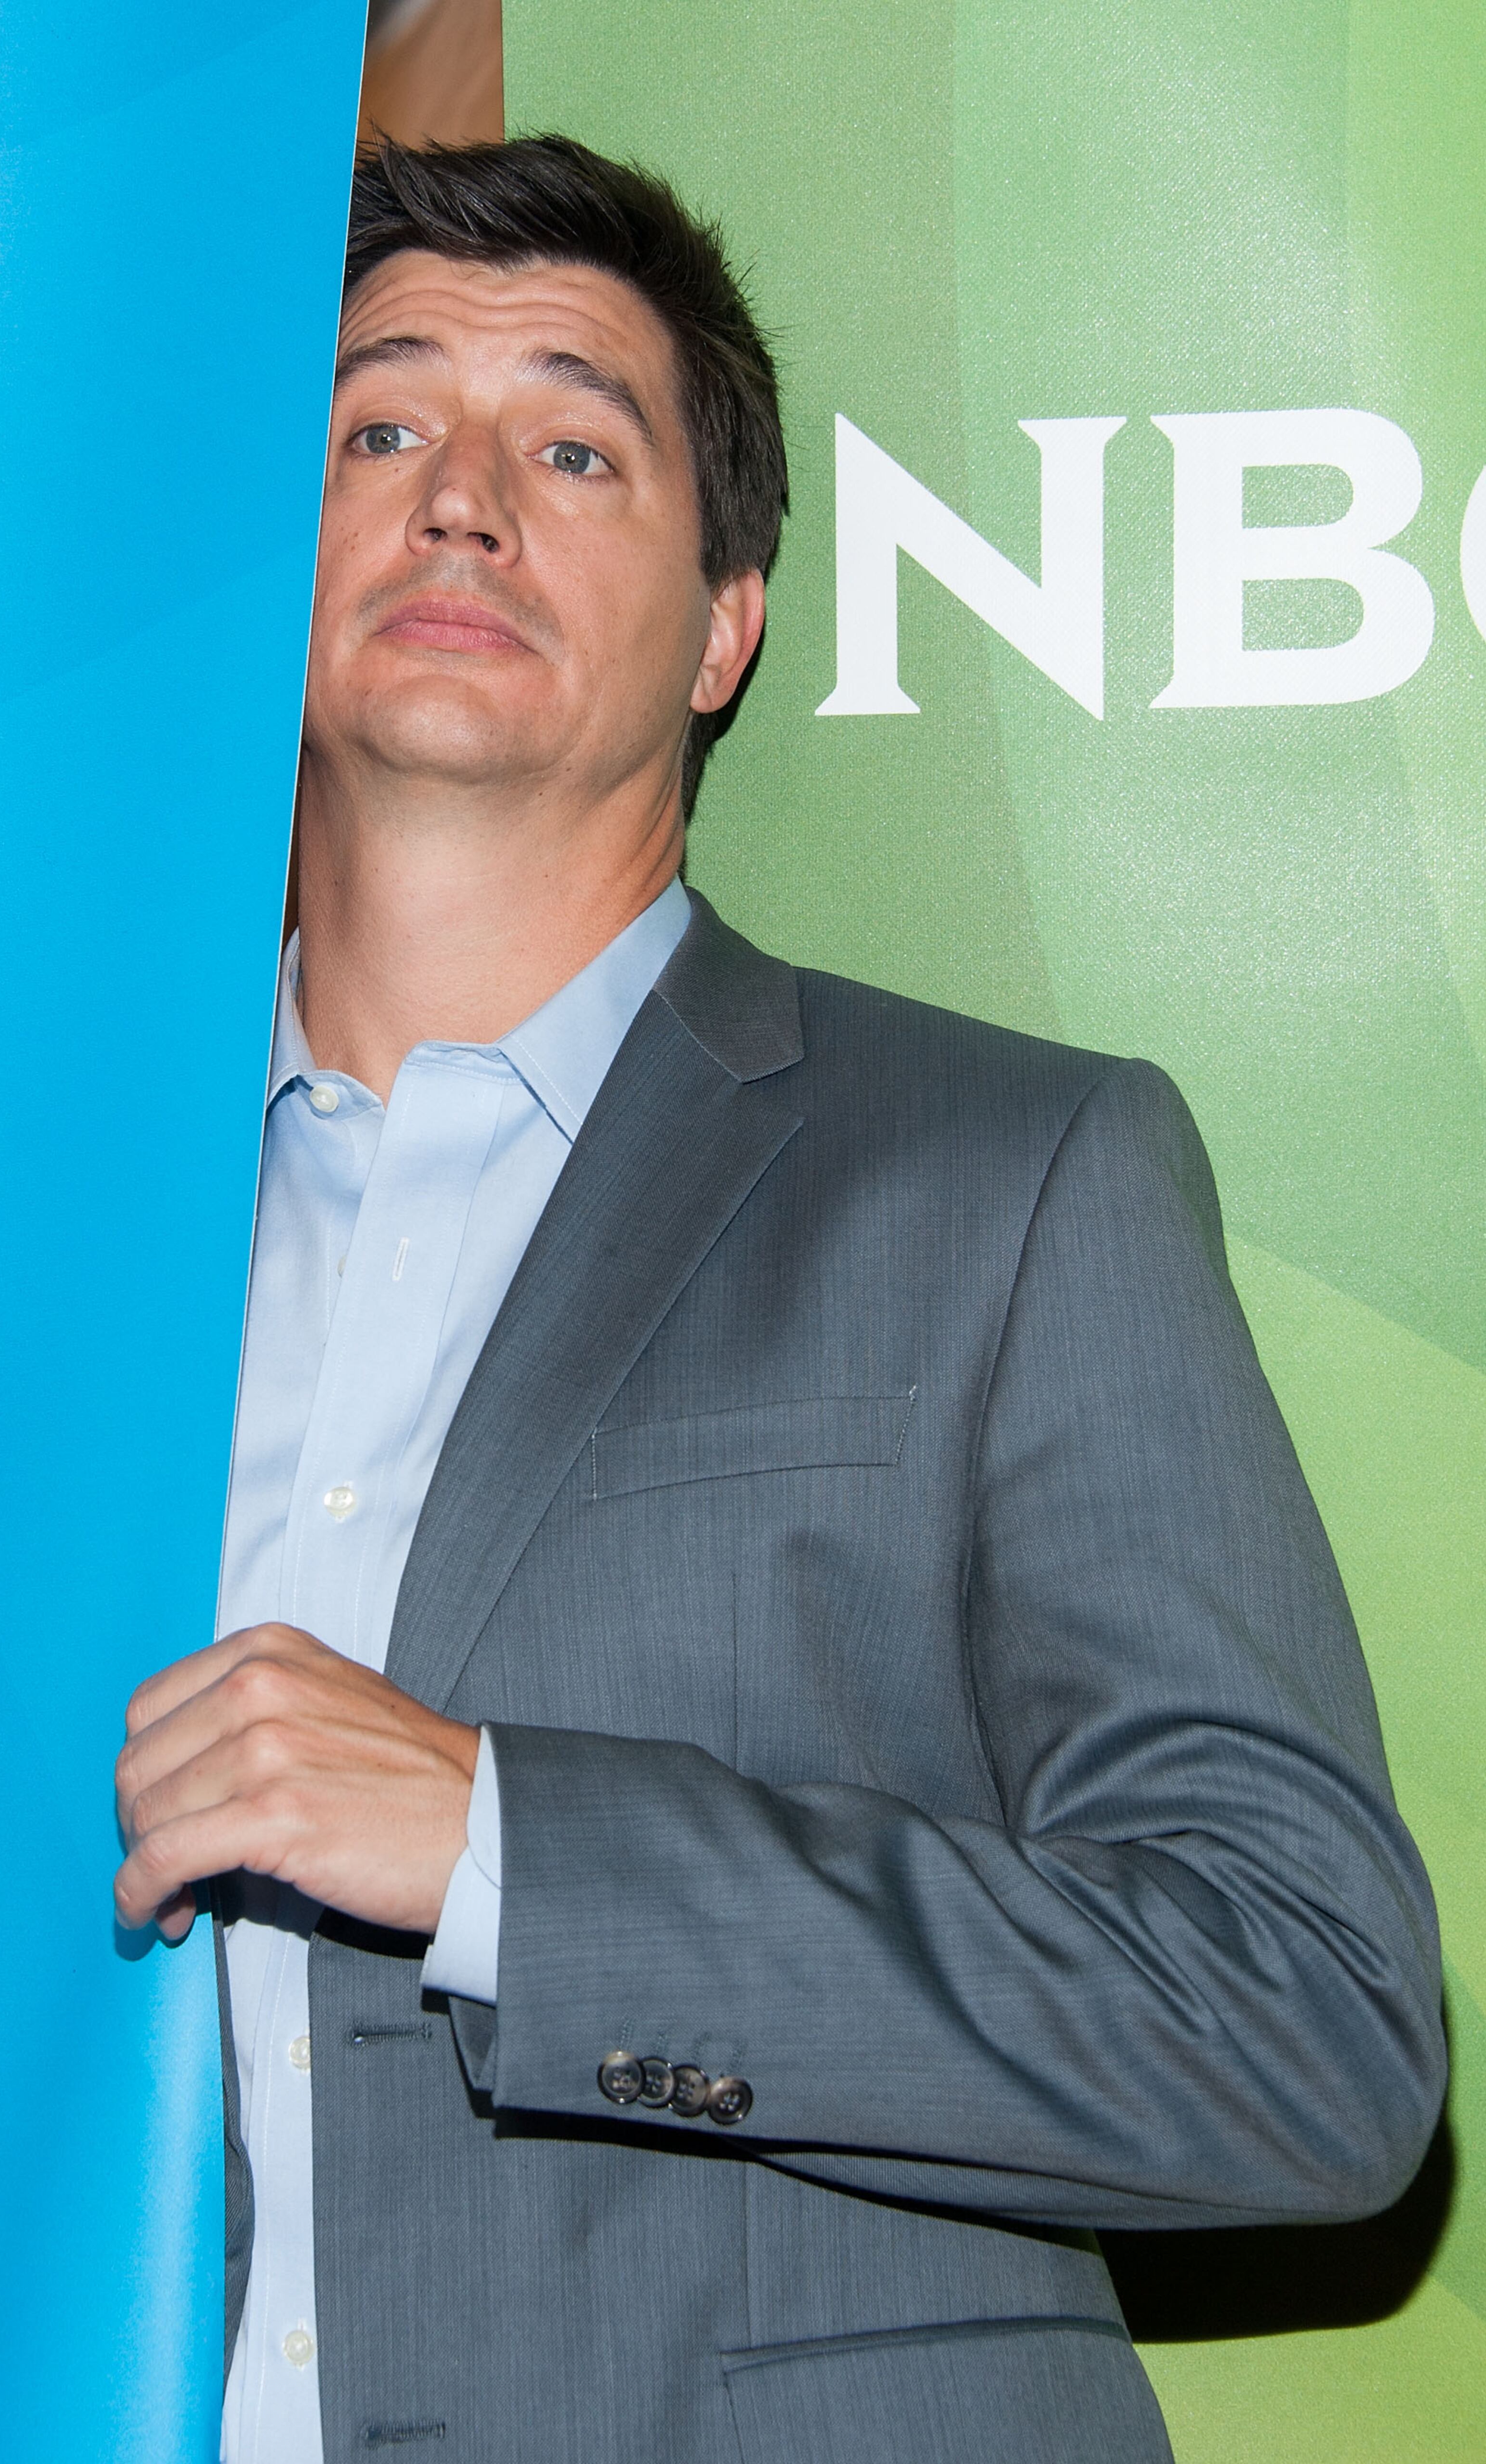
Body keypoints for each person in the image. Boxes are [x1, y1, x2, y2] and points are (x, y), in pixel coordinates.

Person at [111, 136, 1445, 2463]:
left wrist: (505, 1849)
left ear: (728, 623)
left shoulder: (1009, 1176)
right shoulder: (32, 1257)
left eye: (573, 448)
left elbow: (1304, 2026)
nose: (459, 502)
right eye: (378, 425)